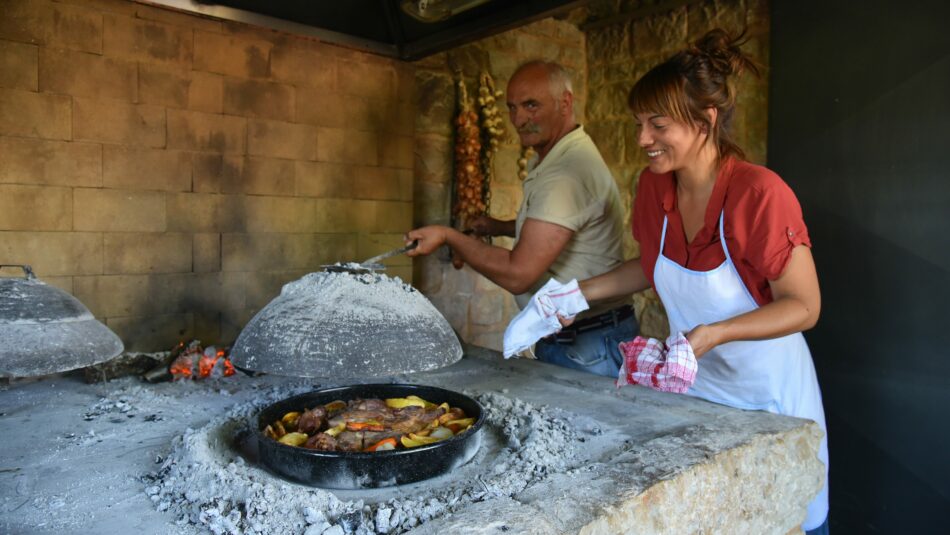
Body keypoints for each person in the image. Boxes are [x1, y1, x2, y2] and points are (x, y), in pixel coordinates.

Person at [568, 29, 830, 533]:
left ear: (706, 120)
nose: (642, 138)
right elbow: (654, 265)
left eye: (657, 124)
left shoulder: (759, 193)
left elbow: (804, 306)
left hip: (768, 400)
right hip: (699, 397)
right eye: (639, 122)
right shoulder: (654, 186)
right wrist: (578, 293)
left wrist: (715, 332)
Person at [405, 60, 638, 378]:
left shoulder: (564, 174)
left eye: (531, 105)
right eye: (512, 107)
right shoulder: (557, 155)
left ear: (565, 102)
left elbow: (519, 275)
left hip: (588, 343)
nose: (518, 119)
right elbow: (558, 228)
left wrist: (449, 236)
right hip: (585, 337)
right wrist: (497, 226)